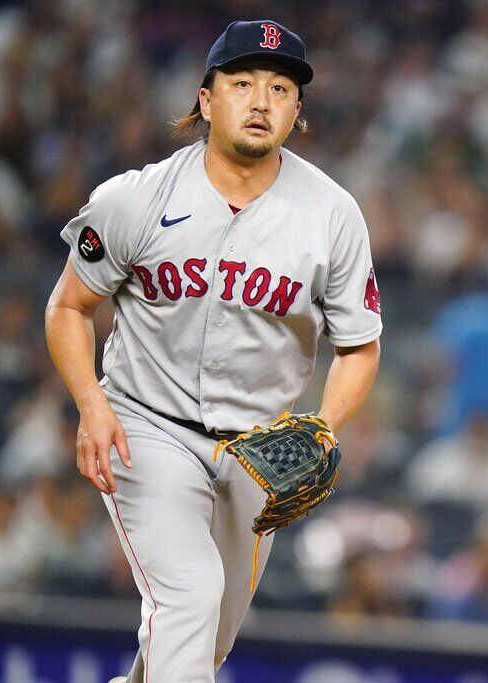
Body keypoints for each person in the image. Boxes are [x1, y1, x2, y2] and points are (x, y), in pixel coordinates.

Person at [43, 20, 381, 682]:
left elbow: (361, 346)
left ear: (297, 111)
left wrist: (323, 428)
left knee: (205, 640)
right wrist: (90, 402)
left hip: (258, 452)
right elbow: (68, 307)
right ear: (205, 99)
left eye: (281, 88)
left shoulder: (333, 215)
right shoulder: (136, 198)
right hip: (146, 426)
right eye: (243, 83)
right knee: (189, 595)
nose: (261, 101)